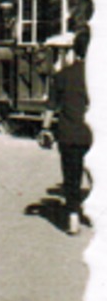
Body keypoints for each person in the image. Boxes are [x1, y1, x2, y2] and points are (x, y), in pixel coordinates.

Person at [42, 26, 91, 235]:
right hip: (93, 135)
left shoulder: (62, 75)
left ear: (75, 50)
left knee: (71, 177)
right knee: (96, 175)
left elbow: (51, 106)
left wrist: (44, 129)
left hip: (69, 134)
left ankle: (72, 217)